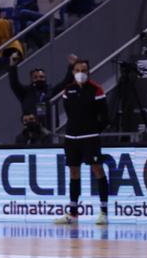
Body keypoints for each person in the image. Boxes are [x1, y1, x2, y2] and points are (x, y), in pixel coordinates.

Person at [55, 59, 110, 226]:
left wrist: (93, 131)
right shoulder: (68, 90)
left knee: (97, 170)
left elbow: (105, 117)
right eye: (77, 69)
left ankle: (103, 212)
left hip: (90, 139)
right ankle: (72, 214)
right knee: (73, 173)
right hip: (71, 139)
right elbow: (70, 113)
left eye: (84, 69)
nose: (81, 72)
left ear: (89, 71)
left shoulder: (96, 89)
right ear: (73, 72)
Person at [8, 52, 75, 126]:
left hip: (50, 131)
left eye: (41, 77)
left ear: (45, 78)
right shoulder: (25, 92)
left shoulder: (51, 91)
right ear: (31, 79)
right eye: (35, 77)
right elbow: (14, 83)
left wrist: (72, 66)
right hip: (31, 130)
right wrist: (12, 66)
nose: (39, 79)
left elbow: (66, 82)